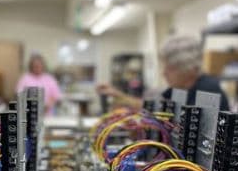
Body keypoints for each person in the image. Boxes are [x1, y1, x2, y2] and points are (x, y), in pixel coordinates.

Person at [97, 34, 229, 112]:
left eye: (170, 68)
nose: (164, 73)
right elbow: (157, 108)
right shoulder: (179, 89)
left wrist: (124, 99)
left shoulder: (208, 91)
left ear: (190, 68)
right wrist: (119, 96)